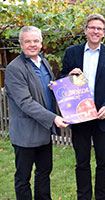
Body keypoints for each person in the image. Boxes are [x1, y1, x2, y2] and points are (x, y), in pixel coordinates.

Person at [60, 14, 105, 200]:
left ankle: (102, 197)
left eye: (100, 29)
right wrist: (68, 76)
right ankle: (84, 196)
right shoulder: (72, 53)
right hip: (80, 117)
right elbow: (62, 79)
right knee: (82, 162)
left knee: (103, 162)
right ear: (86, 30)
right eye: (92, 28)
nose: (96, 31)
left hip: (102, 117)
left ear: (103, 33)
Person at [4, 26, 69, 200]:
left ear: (41, 43)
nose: (32, 44)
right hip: (25, 134)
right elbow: (25, 102)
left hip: (43, 131)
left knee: (44, 173)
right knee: (23, 178)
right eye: (28, 41)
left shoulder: (43, 62)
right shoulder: (14, 69)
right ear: (21, 44)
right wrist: (54, 118)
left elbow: (49, 88)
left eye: (36, 41)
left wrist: (71, 81)